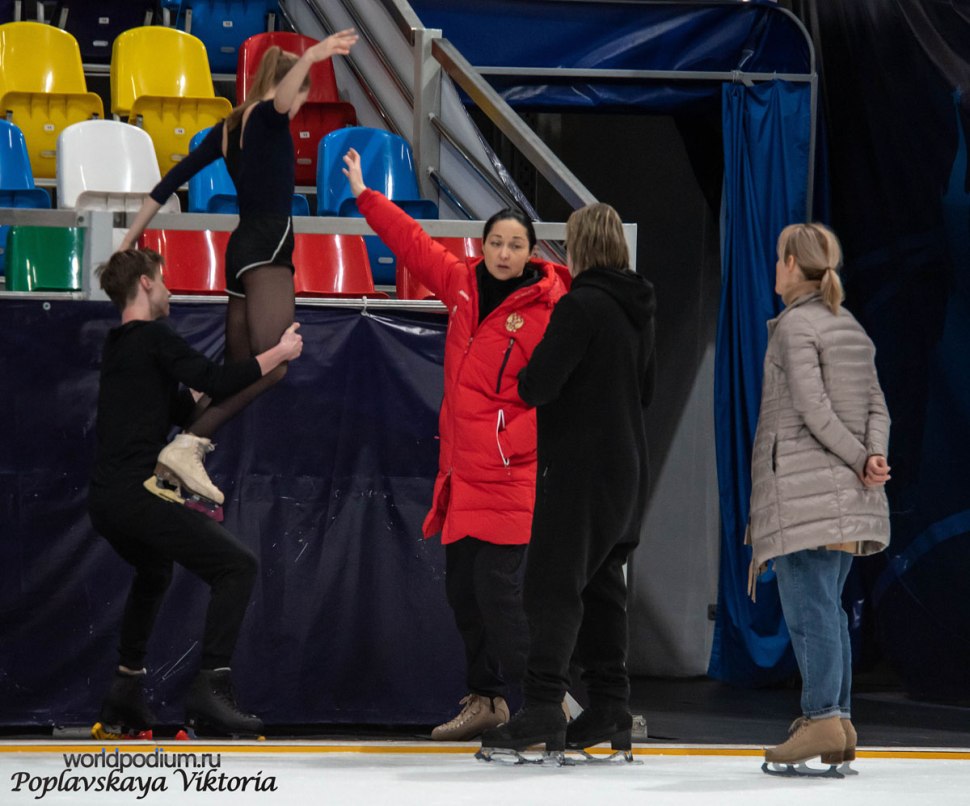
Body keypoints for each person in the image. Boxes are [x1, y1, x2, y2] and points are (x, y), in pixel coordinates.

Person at [341, 147, 571, 740]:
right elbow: (413, 244)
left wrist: (513, 439)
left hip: (509, 474)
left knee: (499, 593)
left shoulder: (550, 310)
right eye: (496, 242)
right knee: (463, 593)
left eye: (515, 245)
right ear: (484, 246)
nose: (504, 253)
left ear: (531, 252)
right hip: (461, 475)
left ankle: (547, 704)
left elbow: (565, 390)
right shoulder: (463, 286)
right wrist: (367, 196)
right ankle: (488, 700)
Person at [118, 29, 358, 508]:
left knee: (235, 371)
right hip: (268, 249)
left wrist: (126, 241)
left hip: (240, 250)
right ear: (290, 88)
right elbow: (281, 100)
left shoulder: (227, 129)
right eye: (301, 96)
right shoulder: (269, 118)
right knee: (275, 365)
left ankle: (167, 467)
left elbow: (166, 185)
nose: (299, 107)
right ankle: (188, 446)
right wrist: (313, 55)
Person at [89, 248, 303, 736]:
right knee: (237, 566)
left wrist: (235, 374)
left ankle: (124, 690)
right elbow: (213, 380)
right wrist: (277, 355)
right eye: (163, 281)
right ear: (145, 283)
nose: (169, 292)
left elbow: (189, 409)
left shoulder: (121, 346)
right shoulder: (153, 336)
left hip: (106, 500)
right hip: (135, 494)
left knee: (153, 570)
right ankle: (211, 689)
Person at [481, 203, 656, 757]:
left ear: (578, 248)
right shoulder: (639, 307)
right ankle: (610, 706)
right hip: (628, 466)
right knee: (602, 586)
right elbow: (646, 388)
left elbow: (537, 385)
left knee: (551, 586)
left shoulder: (580, 305)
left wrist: (526, 369)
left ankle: (541, 708)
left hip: (580, 468)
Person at [747, 223, 891, 772]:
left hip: (807, 495)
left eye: (778, 258)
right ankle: (840, 723)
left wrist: (857, 459)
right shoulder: (847, 325)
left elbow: (811, 408)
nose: (775, 267)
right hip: (848, 497)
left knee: (811, 612)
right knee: (828, 609)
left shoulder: (795, 326)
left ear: (791, 264)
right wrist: (872, 457)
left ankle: (823, 715)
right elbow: (878, 407)